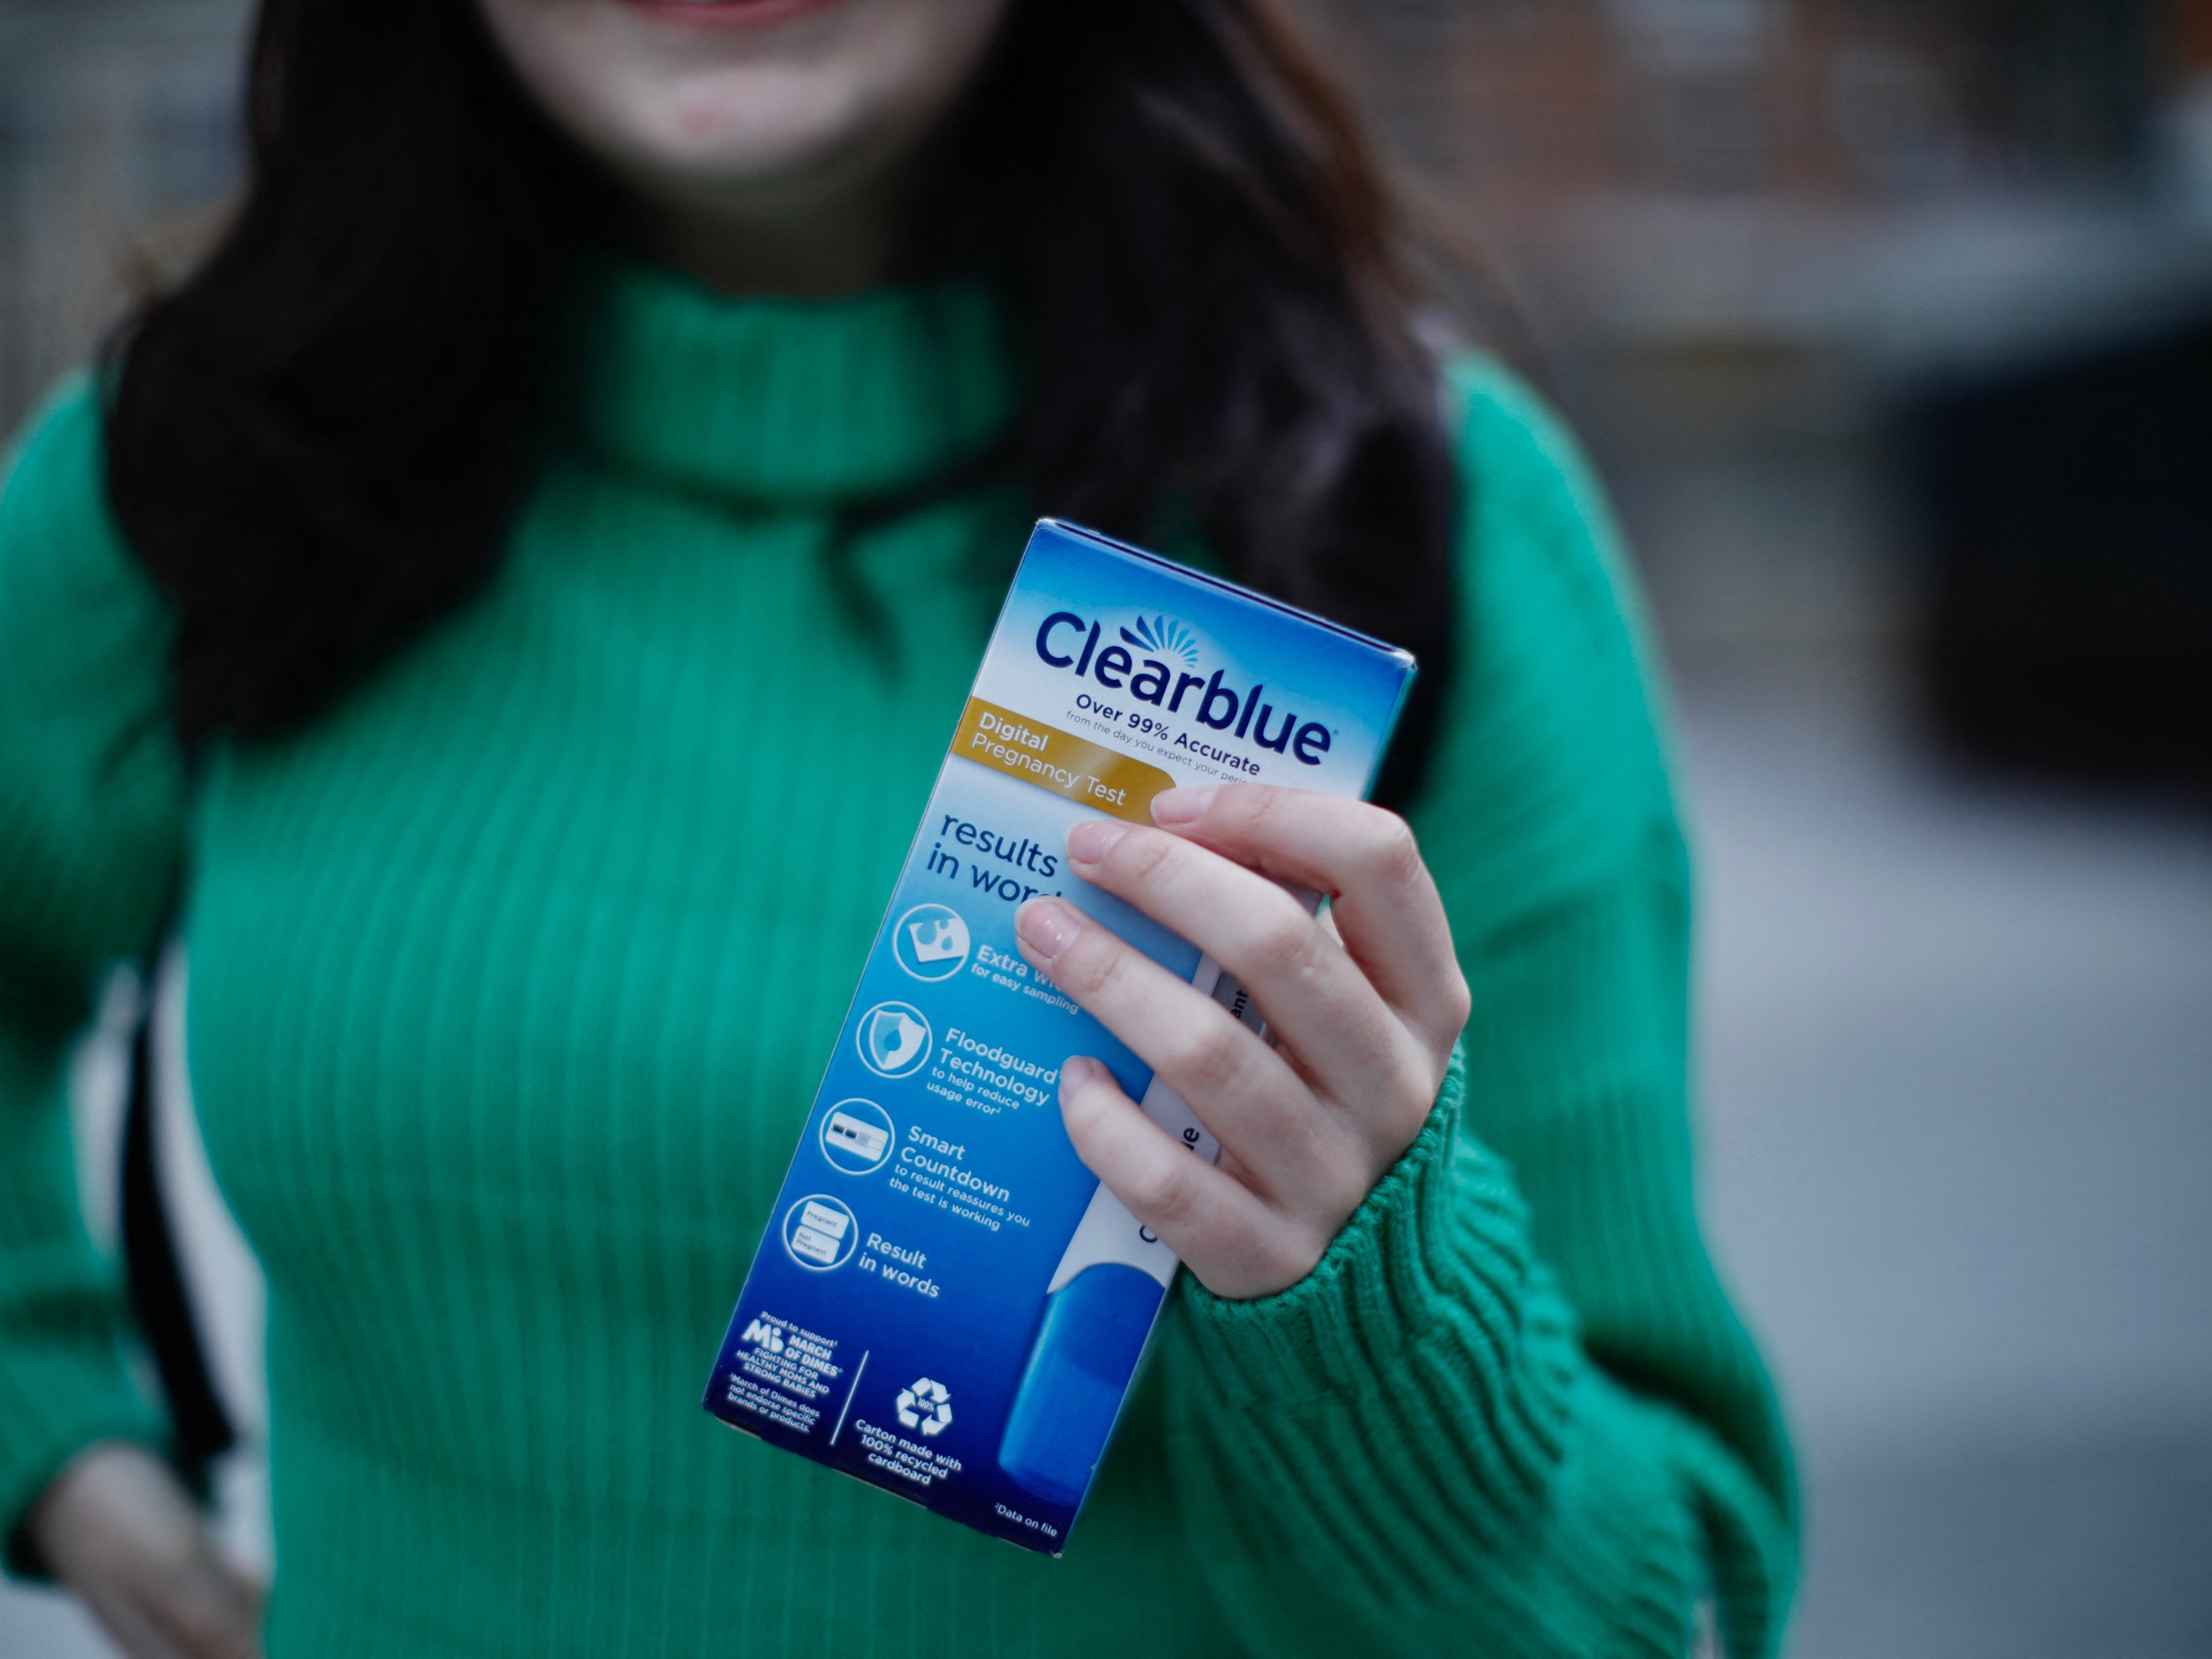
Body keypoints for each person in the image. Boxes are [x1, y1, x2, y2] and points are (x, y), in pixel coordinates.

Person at [0, 1, 1796, 1654]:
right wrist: (45, 1419)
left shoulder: (1411, 516)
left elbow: (1680, 1605)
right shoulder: (212, 465)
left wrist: (1373, 1312)